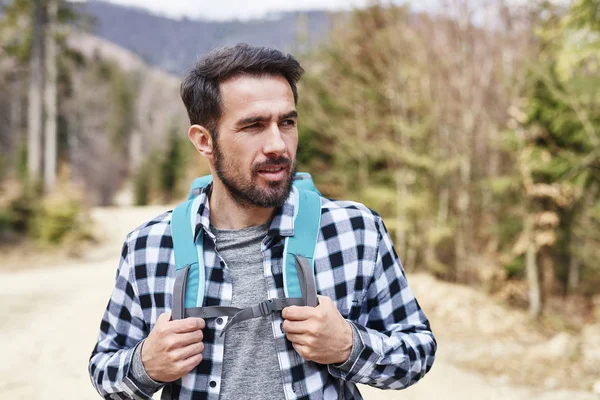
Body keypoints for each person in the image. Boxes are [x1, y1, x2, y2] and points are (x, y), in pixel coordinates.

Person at [89, 43, 436, 400]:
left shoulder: (355, 230)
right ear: (204, 141)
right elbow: (104, 371)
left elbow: (418, 351)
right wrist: (145, 365)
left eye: (286, 122)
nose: (278, 145)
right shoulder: (148, 245)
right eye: (254, 125)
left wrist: (349, 345)